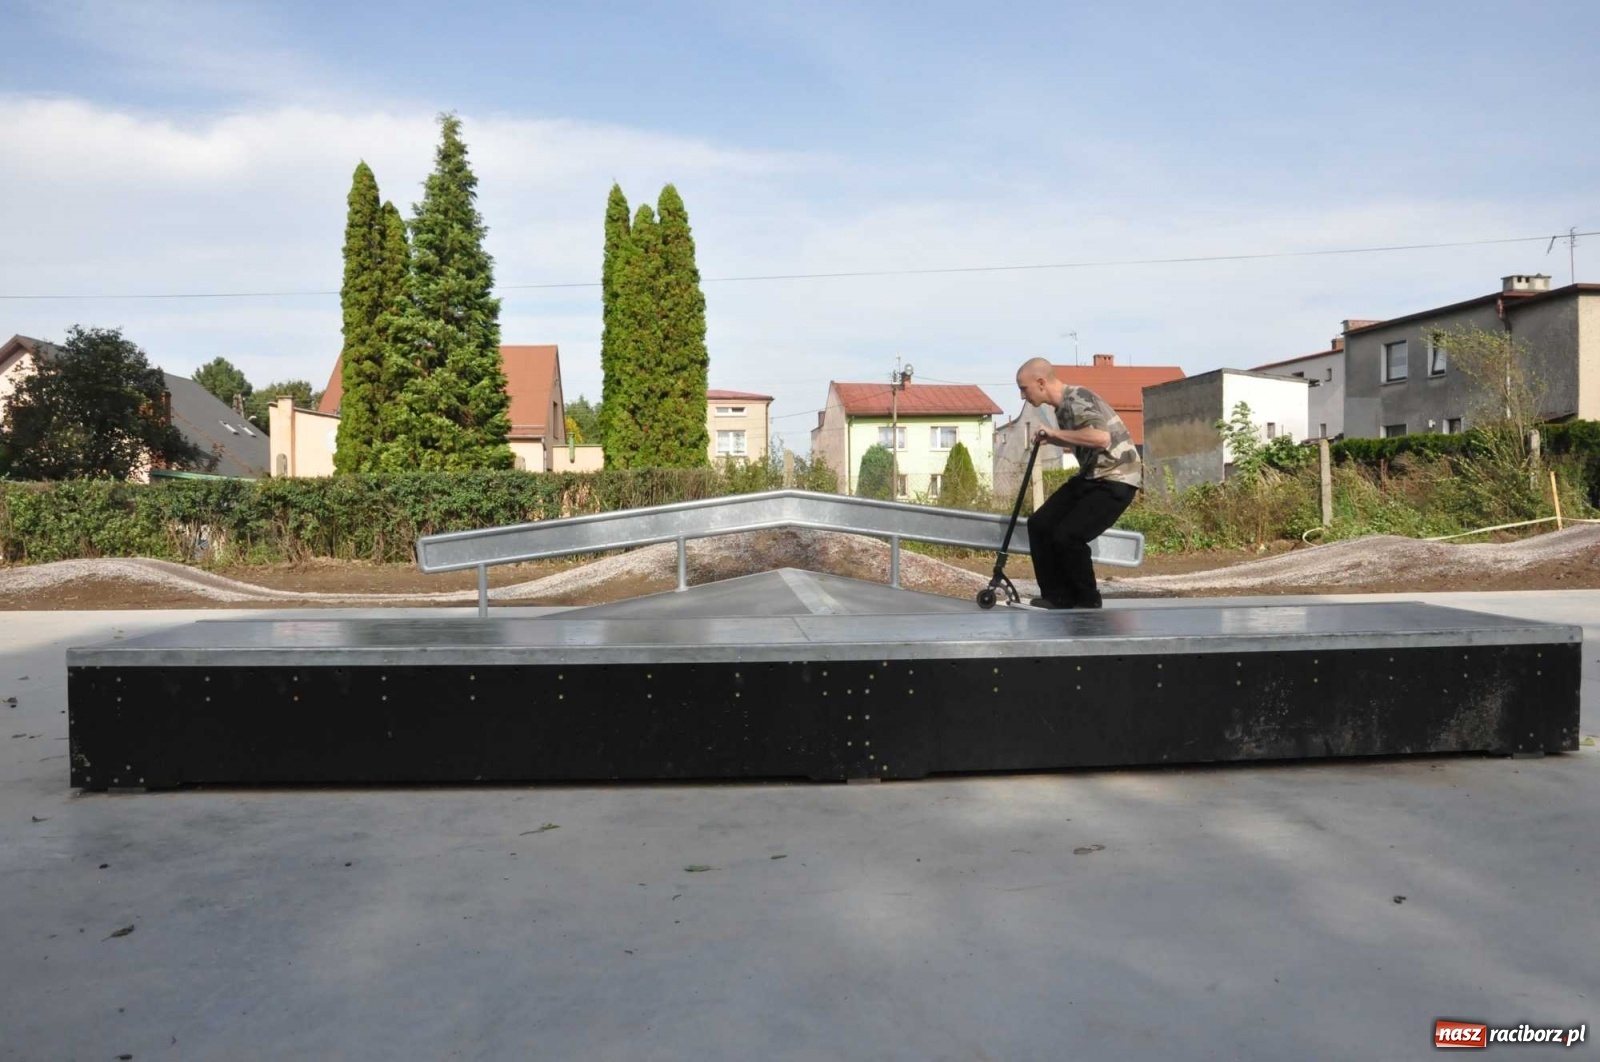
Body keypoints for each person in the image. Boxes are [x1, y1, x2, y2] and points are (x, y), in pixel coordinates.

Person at [1014, 356, 1142, 609]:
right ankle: (1056, 597)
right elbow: (1081, 438)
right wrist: (1053, 439)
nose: (1022, 396)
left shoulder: (1077, 398)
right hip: (1092, 476)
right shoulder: (1062, 407)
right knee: (1040, 524)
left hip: (1116, 478)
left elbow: (1100, 438)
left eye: (1023, 388)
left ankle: (1087, 602)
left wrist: (1054, 433)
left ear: (1040, 383)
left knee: (1068, 536)